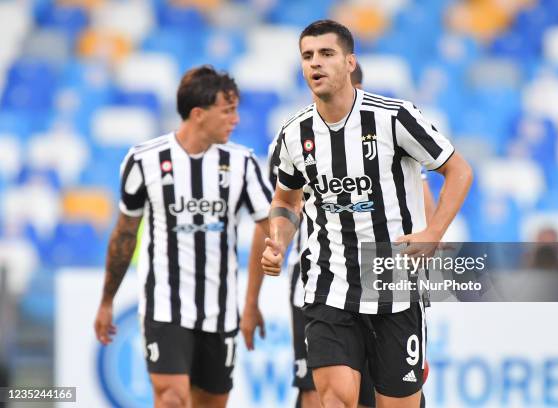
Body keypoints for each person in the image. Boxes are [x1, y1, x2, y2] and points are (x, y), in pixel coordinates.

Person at [261, 20, 472, 408]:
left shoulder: (395, 118)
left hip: (393, 284)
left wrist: (434, 233)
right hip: (329, 284)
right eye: (307, 56)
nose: (315, 63)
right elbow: (287, 200)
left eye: (326, 54)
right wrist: (279, 240)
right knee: (335, 399)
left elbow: (458, 170)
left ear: (350, 62)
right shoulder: (294, 133)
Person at [94, 65, 272, 408]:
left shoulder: (243, 163)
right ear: (198, 114)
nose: (235, 120)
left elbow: (268, 226)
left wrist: (250, 304)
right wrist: (106, 300)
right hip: (165, 308)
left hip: (220, 312)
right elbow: (124, 234)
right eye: (228, 111)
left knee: (211, 402)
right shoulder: (144, 160)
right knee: (171, 396)